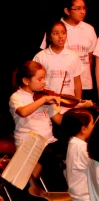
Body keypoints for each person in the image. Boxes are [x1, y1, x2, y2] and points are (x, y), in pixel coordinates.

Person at [10, 61, 89, 191]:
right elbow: (23, 112)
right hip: (29, 144)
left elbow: (59, 120)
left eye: (44, 79)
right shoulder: (17, 97)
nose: (44, 82)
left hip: (49, 143)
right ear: (26, 80)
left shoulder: (45, 96)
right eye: (40, 79)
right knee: (52, 159)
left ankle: (75, 188)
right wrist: (44, 101)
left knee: (74, 146)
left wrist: (77, 111)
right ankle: (55, 191)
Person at [38, 0, 97, 100]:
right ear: (67, 11)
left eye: (84, 8)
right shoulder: (56, 28)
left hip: (84, 83)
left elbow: (90, 58)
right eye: (78, 8)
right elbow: (44, 57)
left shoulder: (89, 29)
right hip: (57, 85)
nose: (82, 11)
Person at [33, 21, 85, 100]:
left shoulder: (73, 56)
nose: (61, 36)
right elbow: (34, 81)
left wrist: (78, 102)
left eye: (63, 33)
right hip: (47, 102)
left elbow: (77, 82)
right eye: (56, 33)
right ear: (49, 37)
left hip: (68, 102)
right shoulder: (40, 56)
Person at [63, 108, 95, 201]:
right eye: (92, 124)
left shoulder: (72, 142)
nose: (94, 127)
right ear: (84, 129)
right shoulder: (82, 148)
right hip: (86, 200)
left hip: (78, 197)